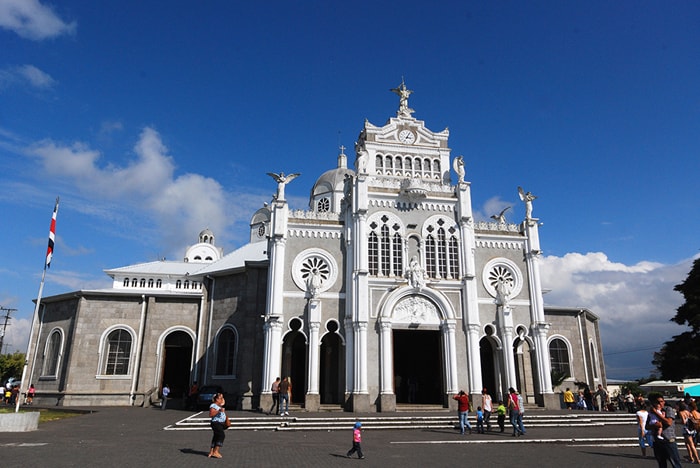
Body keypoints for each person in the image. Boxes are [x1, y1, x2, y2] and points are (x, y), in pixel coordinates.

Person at [648, 394, 682, 468]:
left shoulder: (668, 409)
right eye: (657, 402)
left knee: (675, 463)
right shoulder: (651, 411)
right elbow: (647, 426)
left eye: (661, 401)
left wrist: (656, 413)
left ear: (664, 401)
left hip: (668, 440)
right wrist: (655, 425)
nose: (660, 404)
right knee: (661, 463)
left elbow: (669, 422)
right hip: (657, 441)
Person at [208, 392, 228, 459]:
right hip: (216, 423)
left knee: (216, 436)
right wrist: (219, 410)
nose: (222, 399)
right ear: (216, 399)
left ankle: (211, 451)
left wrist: (221, 398)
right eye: (220, 398)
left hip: (220, 423)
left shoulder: (219, 406)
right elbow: (211, 414)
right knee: (221, 435)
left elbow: (223, 402)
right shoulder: (213, 405)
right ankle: (216, 451)